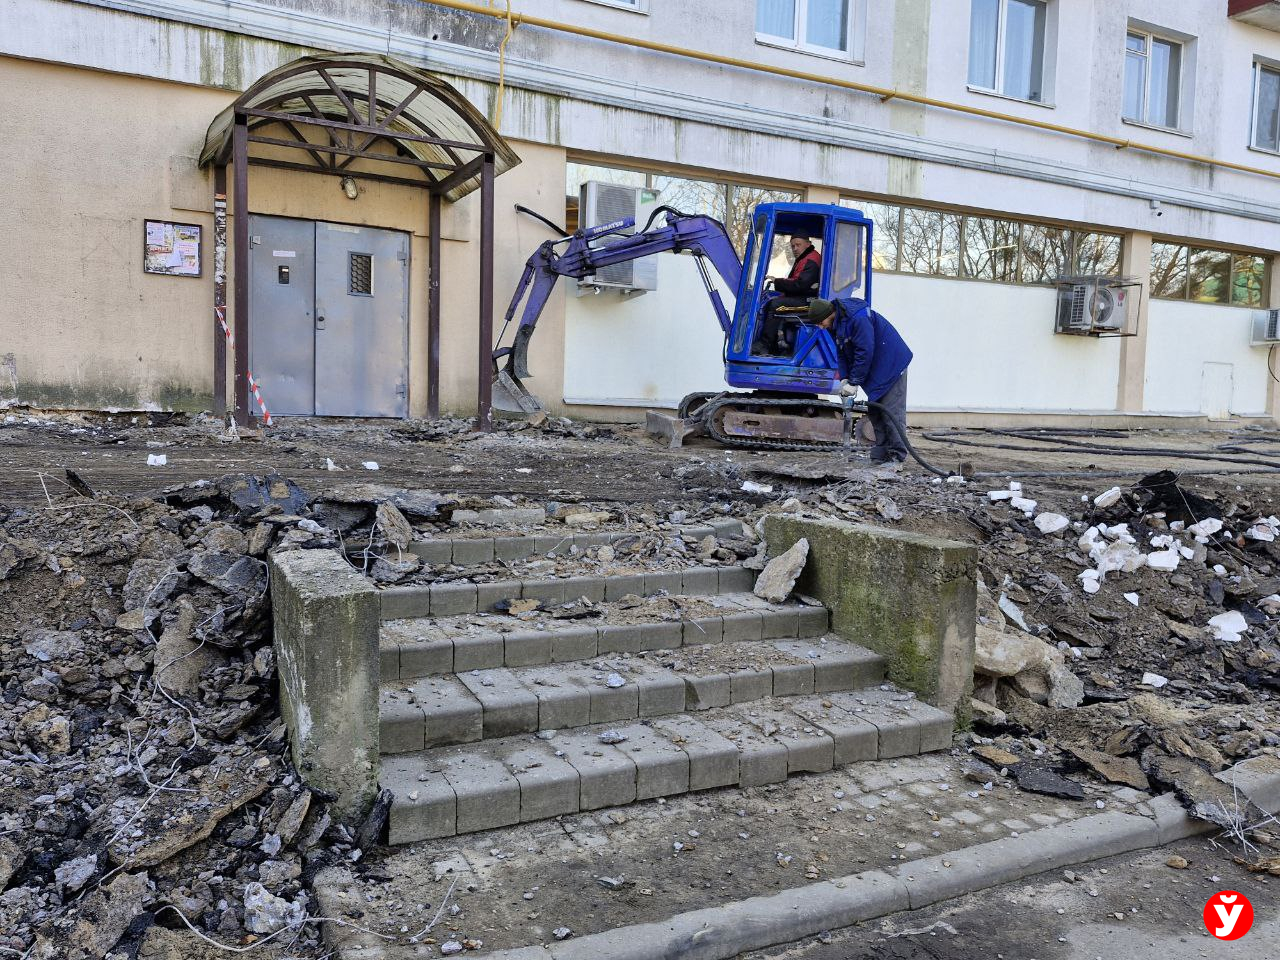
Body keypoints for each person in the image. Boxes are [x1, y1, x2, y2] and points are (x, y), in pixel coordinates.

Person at [808, 297, 913, 464]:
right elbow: (842, 352)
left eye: (820, 322)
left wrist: (855, 381)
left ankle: (896, 457)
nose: (820, 326)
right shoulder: (836, 324)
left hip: (891, 364)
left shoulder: (858, 318)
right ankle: (881, 455)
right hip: (877, 367)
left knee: (890, 412)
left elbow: (864, 351)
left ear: (828, 314)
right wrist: (844, 379)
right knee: (875, 411)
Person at [754, 234, 822, 355]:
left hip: (809, 300)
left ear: (808, 243)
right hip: (806, 297)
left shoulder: (811, 259)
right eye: (793, 246)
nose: (795, 248)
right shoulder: (805, 258)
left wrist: (777, 281)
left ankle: (765, 344)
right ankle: (776, 345)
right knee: (774, 300)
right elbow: (797, 281)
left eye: (798, 245)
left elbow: (800, 285)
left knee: (776, 305)